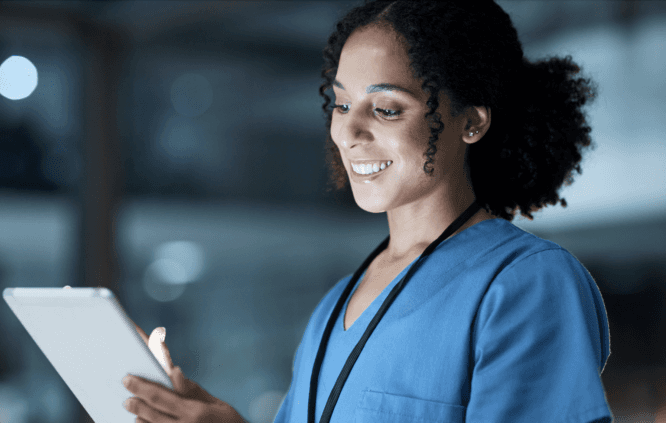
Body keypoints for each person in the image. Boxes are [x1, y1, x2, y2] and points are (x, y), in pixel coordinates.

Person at [122, 0, 612, 422]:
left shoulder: (527, 286)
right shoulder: (336, 304)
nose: (348, 132)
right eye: (341, 104)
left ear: (471, 122)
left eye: (386, 109)